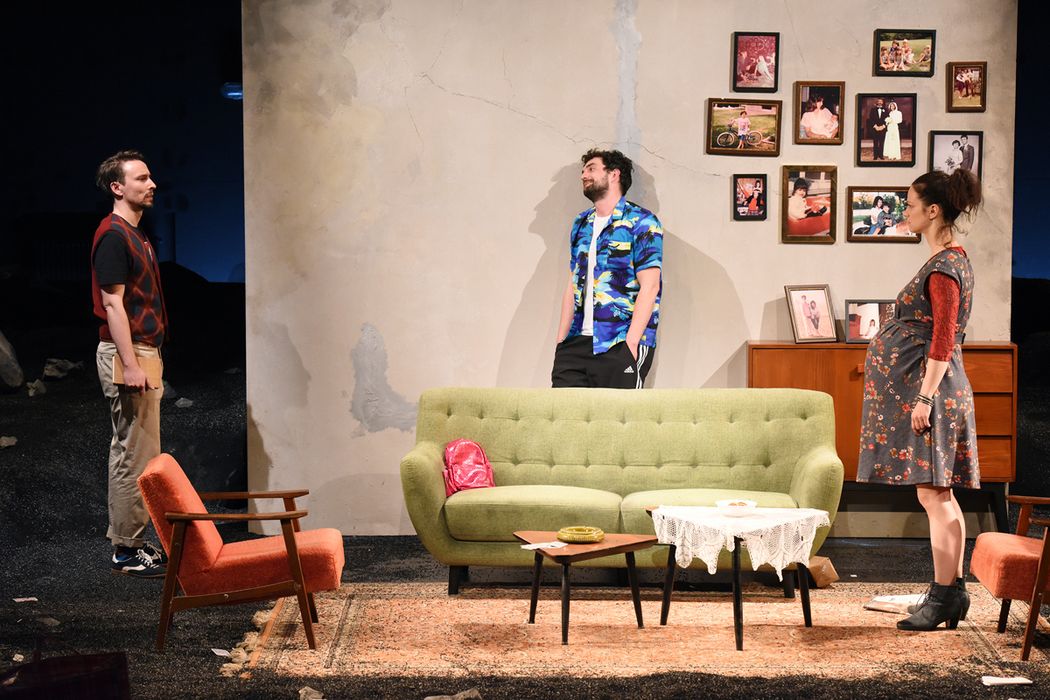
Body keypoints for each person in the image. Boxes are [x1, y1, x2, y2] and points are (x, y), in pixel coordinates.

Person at [857, 168, 983, 631]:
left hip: (936, 393)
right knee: (936, 494)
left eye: (910, 205)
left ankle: (945, 595)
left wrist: (924, 398)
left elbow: (944, 338)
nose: (904, 212)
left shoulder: (945, 266)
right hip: (933, 390)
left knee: (935, 495)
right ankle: (948, 592)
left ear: (932, 211)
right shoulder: (944, 261)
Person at [91, 150, 169, 578]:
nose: (151, 184)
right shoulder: (113, 235)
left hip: (142, 351)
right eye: (141, 178)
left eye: (150, 176)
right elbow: (112, 304)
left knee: (139, 449)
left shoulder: (136, 235)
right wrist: (130, 362)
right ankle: (126, 548)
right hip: (129, 352)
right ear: (117, 187)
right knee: (133, 453)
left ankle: (133, 541)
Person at [551, 149, 662, 389]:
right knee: (564, 412)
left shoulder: (642, 222)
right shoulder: (581, 223)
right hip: (575, 344)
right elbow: (573, 283)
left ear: (614, 174)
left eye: (591, 168)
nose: (584, 175)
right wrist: (561, 341)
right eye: (583, 171)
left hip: (618, 342)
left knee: (619, 414)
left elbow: (651, 286)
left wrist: (631, 344)